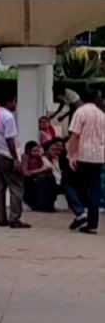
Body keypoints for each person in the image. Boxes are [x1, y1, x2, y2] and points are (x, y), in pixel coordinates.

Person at [0, 95, 29, 228]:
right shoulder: (8, 117)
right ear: (9, 101)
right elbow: (10, 139)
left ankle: (1, 218)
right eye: (15, 102)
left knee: (0, 187)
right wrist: (16, 159)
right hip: (7, 155)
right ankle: (15, 218)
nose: (16, 105)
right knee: (16, 187)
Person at [67, 90, 105, 233]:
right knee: (95, 189)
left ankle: (80, 212)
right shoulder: (102, 115)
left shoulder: (80, 112)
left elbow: (75, 136)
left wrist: (71, 155)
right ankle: (92, 224)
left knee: (69, 183)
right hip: (98, 156)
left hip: (83, 155)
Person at [21, 141, 57, 212]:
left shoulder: (39, 157)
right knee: (42, 178)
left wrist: (42, 156)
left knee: (50, 177)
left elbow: (48, 167)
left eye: (38, 150)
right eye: (34, 151)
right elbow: (25, 172)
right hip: (28, 179)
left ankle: (50, 204)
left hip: (38, 177)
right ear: (28, 151)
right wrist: (40, 170)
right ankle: (41, 204)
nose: (37, 152)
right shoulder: (25, 157)